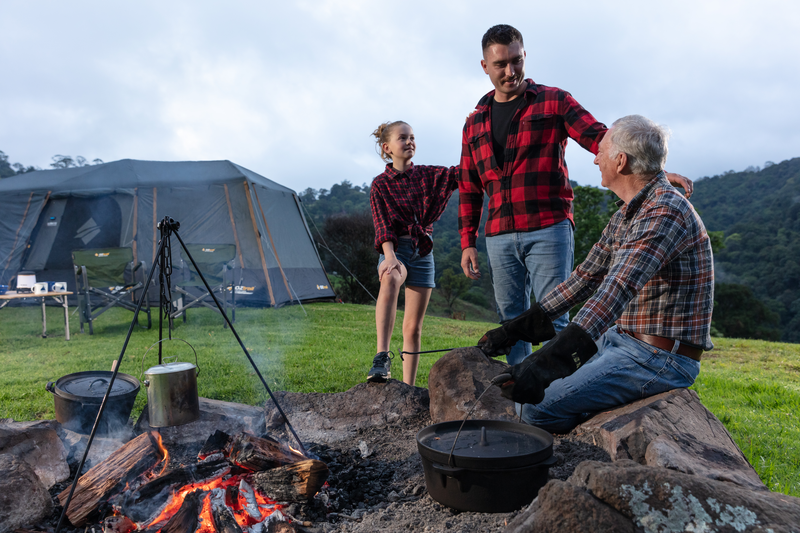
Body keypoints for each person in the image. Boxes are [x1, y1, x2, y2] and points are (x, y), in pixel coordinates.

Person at [459, 24, 694, 366]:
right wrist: (467, 240)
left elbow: (599, 136)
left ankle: (558, 397)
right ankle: (519, 399)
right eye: (500, 65)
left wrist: (649, 169)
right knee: (510, 321)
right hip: (498, 234)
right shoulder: (474, 122)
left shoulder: (554, 101)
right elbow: (469, 185)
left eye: (516, 61)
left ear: (524, 56)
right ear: (485, 66)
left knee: (554, 318)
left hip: (548, 227)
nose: (510, 71)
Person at [480, 115, 714, 434]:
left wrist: (549, 362)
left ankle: (582, 441)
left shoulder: (666, 212)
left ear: (620, 161)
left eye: (600, 151)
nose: (594, 158)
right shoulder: (627, 213)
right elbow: (585, 278)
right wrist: (517, 328)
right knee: (528, 393)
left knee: (534, 408)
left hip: (658, 357)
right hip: (621, 339)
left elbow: (613, 293)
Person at [368, 121, 459, 386]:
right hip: (395, 248)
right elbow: (382, 225)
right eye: (402, 138)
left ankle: (407, 387)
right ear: (387, 148)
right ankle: (381, 357)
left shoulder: (427, 175)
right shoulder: (380, 185)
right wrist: (390, 257)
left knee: (413, 327)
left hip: (423, 249)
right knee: (391, 277)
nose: (409, 142)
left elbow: (459, 174)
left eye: (412, 137)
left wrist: (474, 132)